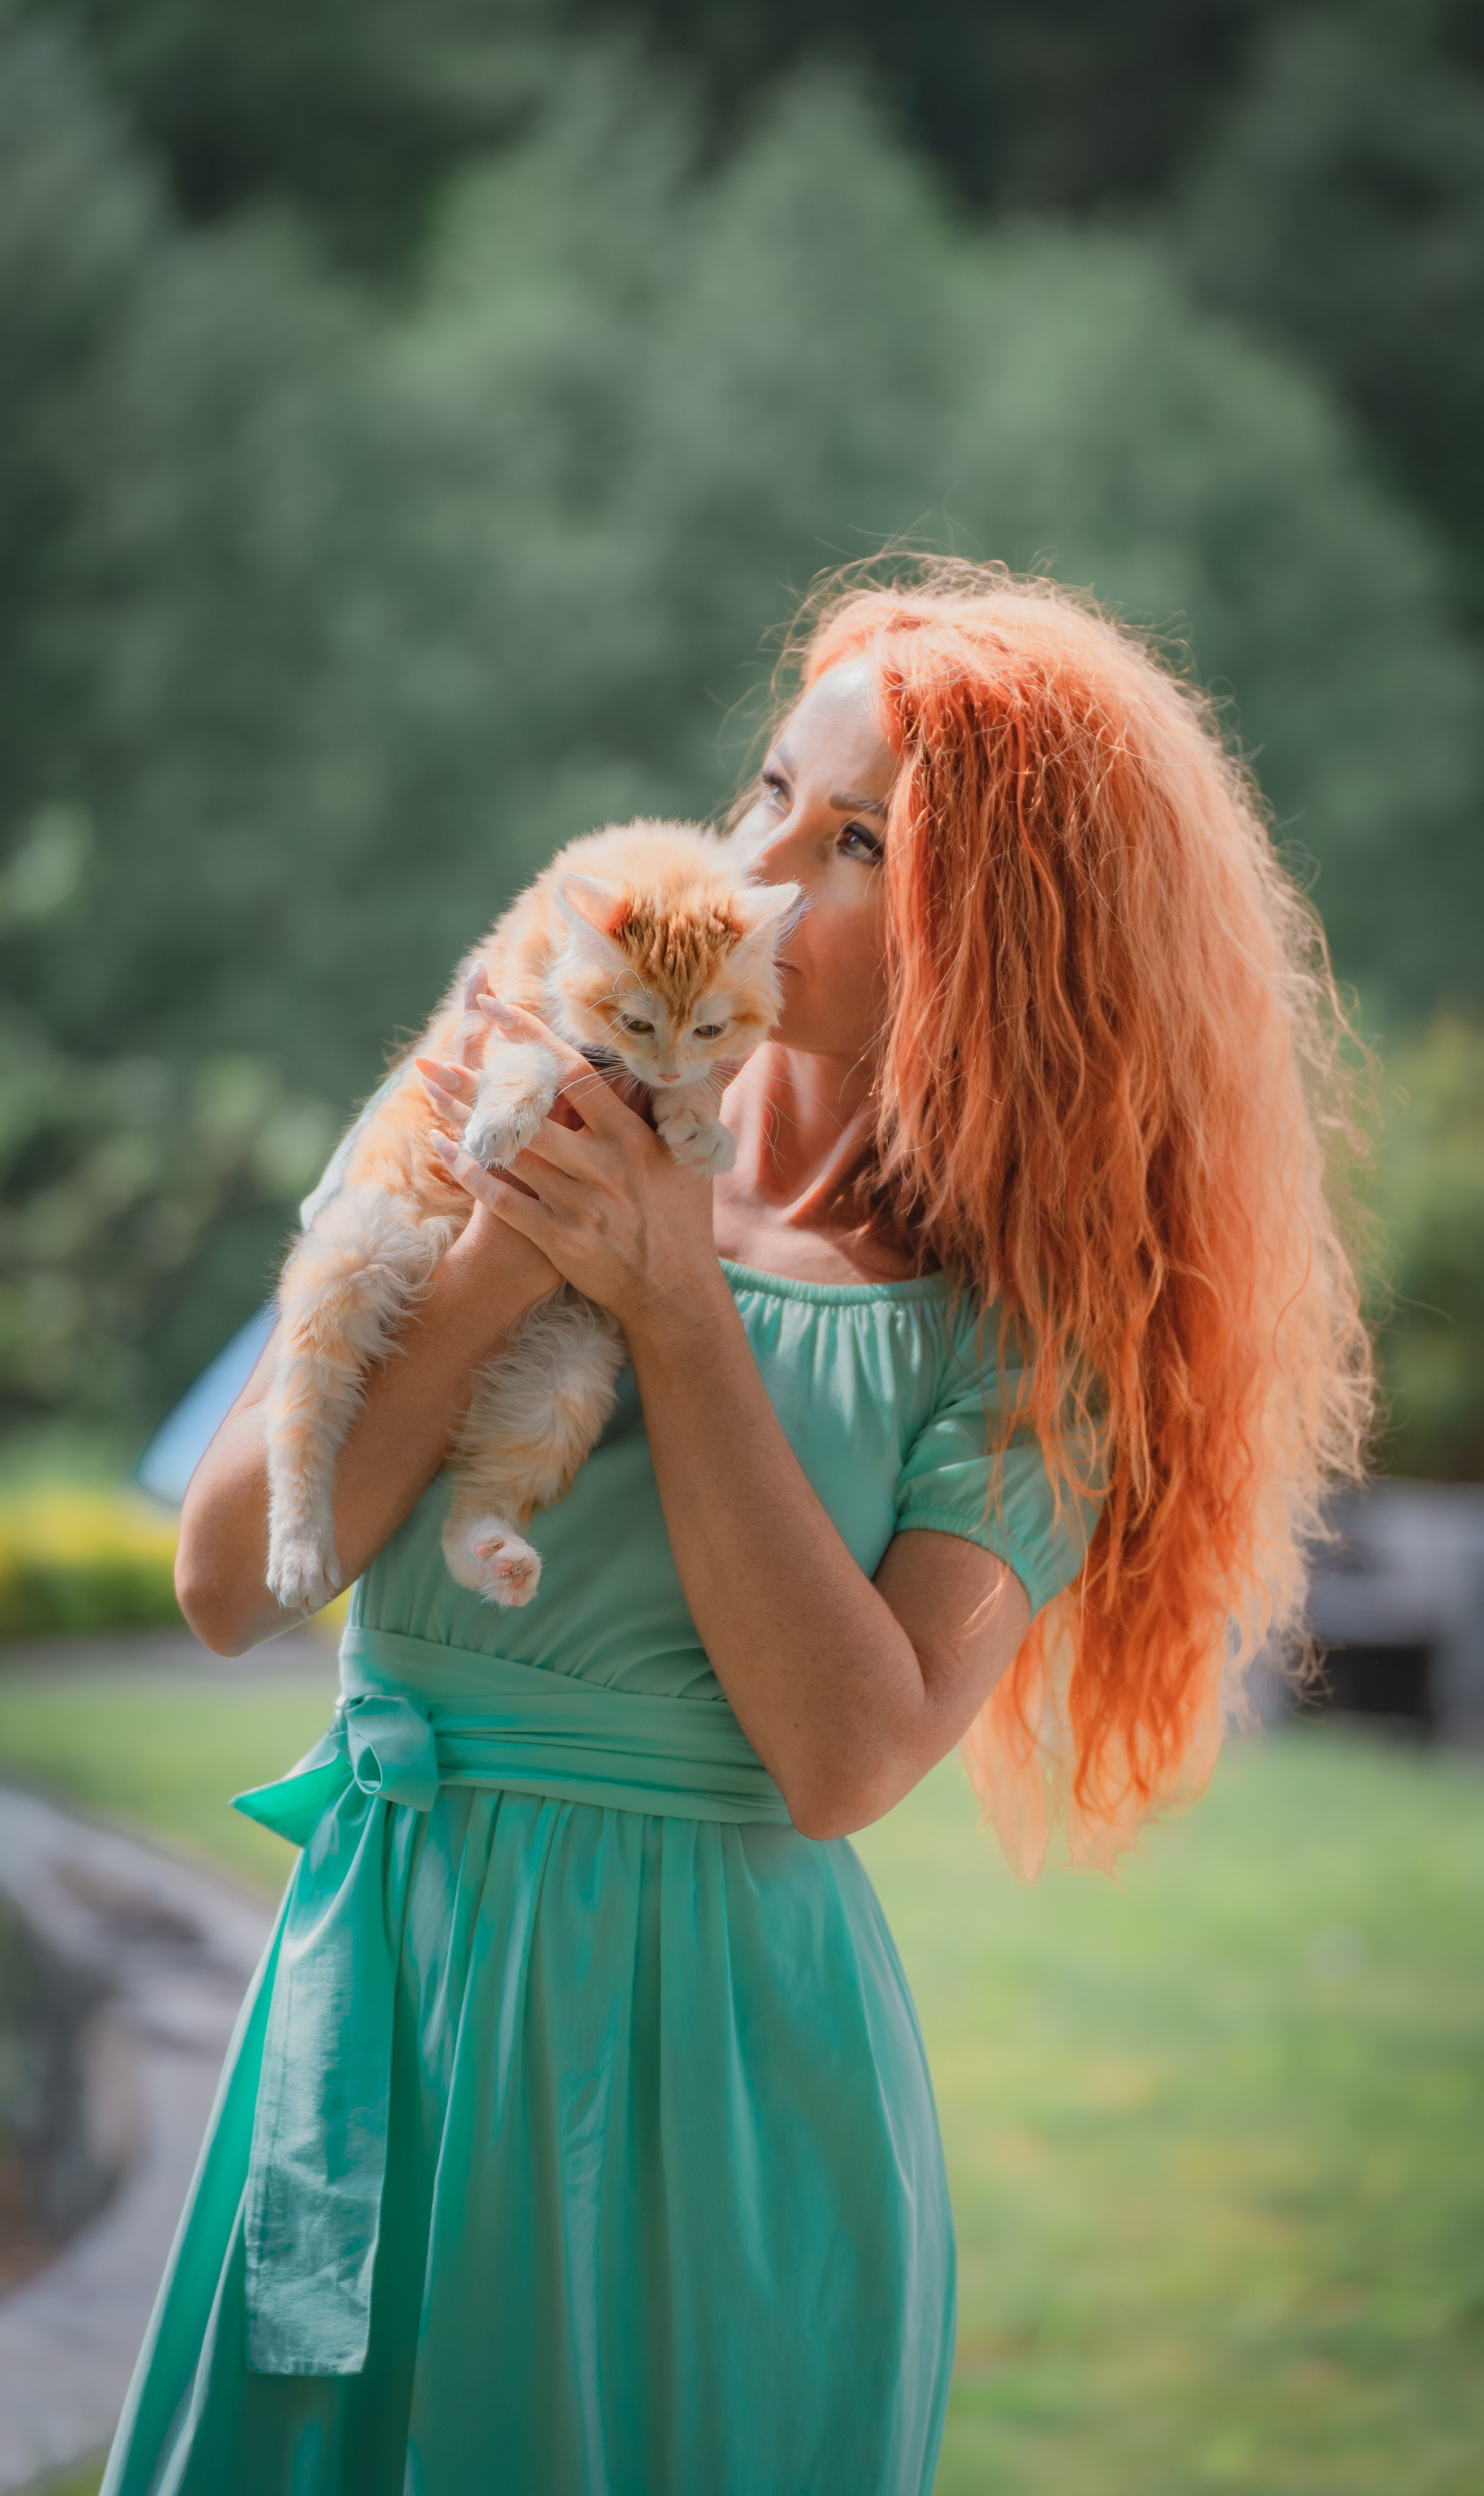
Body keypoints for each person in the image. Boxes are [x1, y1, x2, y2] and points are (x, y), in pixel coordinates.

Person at [101, 562, 1370, 2495]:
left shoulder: (1028, 1340)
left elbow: (849, 1753)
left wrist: (678, 1307)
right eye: (768, 788)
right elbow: (223, 1577)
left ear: (998, 945)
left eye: (853, 843)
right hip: (387, 2004)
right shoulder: (501, 1058)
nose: (757, 868)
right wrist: (517, 1228)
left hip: (719, 2093)